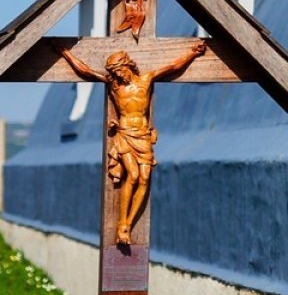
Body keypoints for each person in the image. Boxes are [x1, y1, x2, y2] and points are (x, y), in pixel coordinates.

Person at [60, 36, 209, 246]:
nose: (117, 75)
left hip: (142, 135)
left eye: (119, 70)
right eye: (114, 72)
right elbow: (85, 71)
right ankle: (122, 224)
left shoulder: (146, 80)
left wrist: (193, 53)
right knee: (133, 175)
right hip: (125, 135)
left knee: (145, 178)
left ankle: (128, 222)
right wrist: (65, 53)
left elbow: (173, 66)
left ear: (127, 65)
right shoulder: (114, 86)